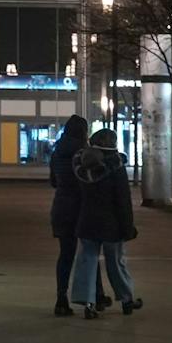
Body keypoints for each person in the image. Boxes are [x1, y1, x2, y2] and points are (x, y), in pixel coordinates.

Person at [70, 128, 142, 319]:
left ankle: (88, 303)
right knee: (116, 262)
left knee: (87, 262)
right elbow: (123, 201)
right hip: (112, 224)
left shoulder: (81, 163)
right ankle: (126, 299)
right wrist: (128, 227)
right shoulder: (116, 167)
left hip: (87, 221)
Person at [49, 114, 108, 317]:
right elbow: (92, 180)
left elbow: (54, 181)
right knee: (89, 253)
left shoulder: (56, 152)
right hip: (82, 207)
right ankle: (96, 295)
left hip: (61, 207)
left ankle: (61, 299)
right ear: (84, 131)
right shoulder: (84, 152)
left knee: (65, 255)